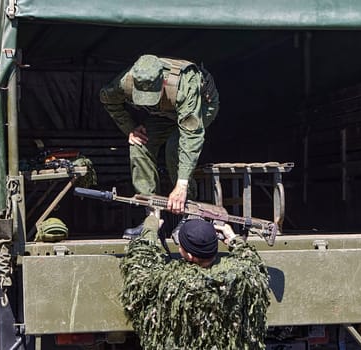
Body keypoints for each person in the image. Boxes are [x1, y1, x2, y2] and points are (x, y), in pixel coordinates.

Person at [100, 54, 220, 239]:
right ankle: (152, 219)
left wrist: (181, 185)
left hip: (200, 107)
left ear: (163, 81)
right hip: (163, 114)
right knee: (139, 145)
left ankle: (190, 216)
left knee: (175, 146)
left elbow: (191, 135)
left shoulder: (184, 83)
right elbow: (108, 98)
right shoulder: (125, 81)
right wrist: (130, 128)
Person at [119, 211, 270, 350]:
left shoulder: (171, 281)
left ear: (189, 256)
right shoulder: (238, 277)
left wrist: (150, 229)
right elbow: (254, 264)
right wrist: (233, 239)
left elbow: (139, 269)